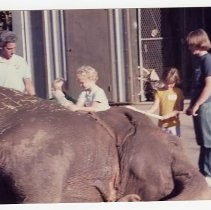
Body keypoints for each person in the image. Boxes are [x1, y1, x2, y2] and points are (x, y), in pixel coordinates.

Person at [186, 28, 211, 187]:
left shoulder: (207, 60)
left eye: (191, 45)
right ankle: (203, 171)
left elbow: (209, 86)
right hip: (198, 107)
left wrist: (196, 105)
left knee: (208, 141)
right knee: (202, 141)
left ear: (199, 44)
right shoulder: (197, 61)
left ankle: (208, 173)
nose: (189, 48)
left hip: (206, 106)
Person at [146, 67, 184, 137]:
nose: (169, 85)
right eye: (167, 83)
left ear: (176, 81)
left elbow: (179, 109)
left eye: (172, 83)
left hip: (174, 125)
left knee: (175, 145)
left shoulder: (178, 92)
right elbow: (155, 106)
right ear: (163, 80)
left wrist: (169, 115)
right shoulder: (159, 92)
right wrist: (148, 112)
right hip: (162, 125)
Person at [0, 30, 36, 95]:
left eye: (14, 48)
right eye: (9, 49)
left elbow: (28, 84)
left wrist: (34, 100)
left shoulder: (20, 61)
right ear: (1, 47)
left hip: (19, 101)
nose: (13, 51)